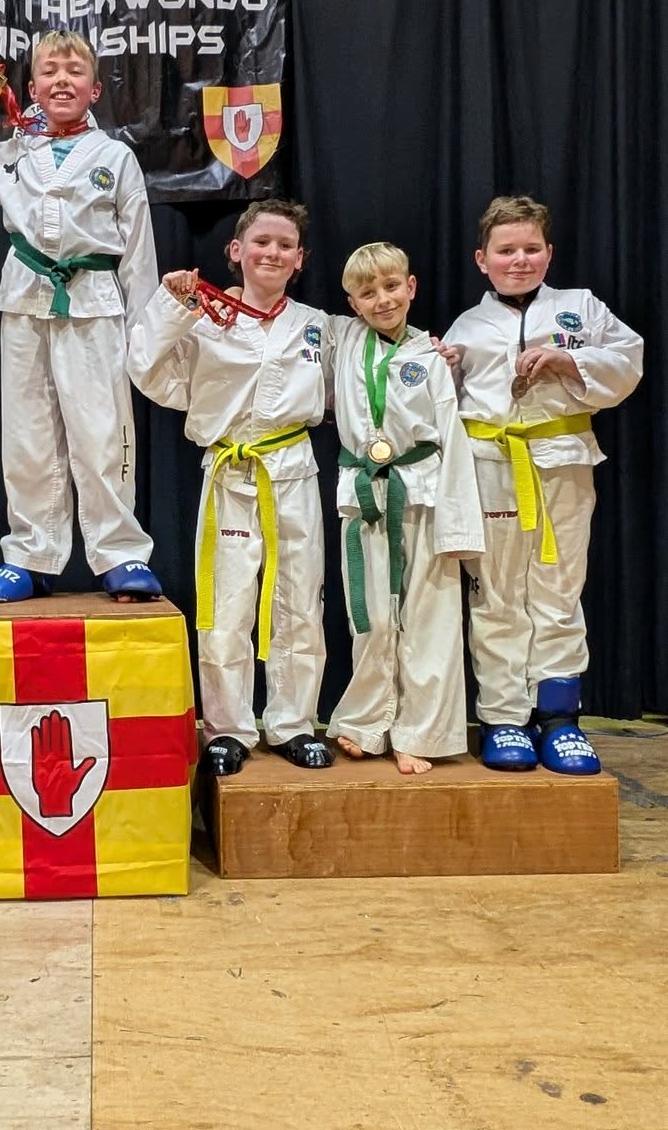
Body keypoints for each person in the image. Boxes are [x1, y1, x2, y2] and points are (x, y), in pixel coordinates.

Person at [0, 31, 161, 602]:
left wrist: (146, 333)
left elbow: (140, 250)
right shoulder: (11, 154)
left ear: (95, 89)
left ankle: (121, 554)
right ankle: (29, 554)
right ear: (30, 87)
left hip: (96, 302)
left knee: (102, 433)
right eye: (49, 71)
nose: (62, 80)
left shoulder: (115, 157)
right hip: (25, 298)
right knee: (27, 436)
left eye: (75, 72)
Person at [128, 199, 332, 776]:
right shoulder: (203, 320)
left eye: (285, 245)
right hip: (229, 472)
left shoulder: (319, 325)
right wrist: (171, 305)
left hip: (292, 469)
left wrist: (436, 355)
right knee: (225, 604)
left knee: (300, 601)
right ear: (235, 251)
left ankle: (293, 723)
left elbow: (371, 372)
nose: (273, 252)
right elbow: (146, 369)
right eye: (261, 242)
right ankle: (228, 728)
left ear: (300, 259)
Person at [444, 194, 642, 773]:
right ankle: (504, 718)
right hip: (492, 467)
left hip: (564, 461)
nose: (520, 260)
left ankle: (558, 718)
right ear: (483, 259)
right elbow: (444, 402)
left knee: (559, 587)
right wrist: (441, 364)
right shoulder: (469, 326)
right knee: (498, 592)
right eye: (507, 251)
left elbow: (629, 358)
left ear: (549, 253)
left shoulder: (581, 307)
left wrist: (568, 363)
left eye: (532, 249)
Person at [327, 244, 484, 775]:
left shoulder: (430, 358)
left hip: (423, 493)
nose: (382, 299)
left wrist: (459, 527)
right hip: (365, 492)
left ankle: (421, 731)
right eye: (367, 293)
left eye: (392, 287)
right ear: (351, 303)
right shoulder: (343, 338)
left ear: (411, 287)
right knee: (367, 616)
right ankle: (367, 720)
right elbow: (283, 318)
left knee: (430, 618)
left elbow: (452, 439)